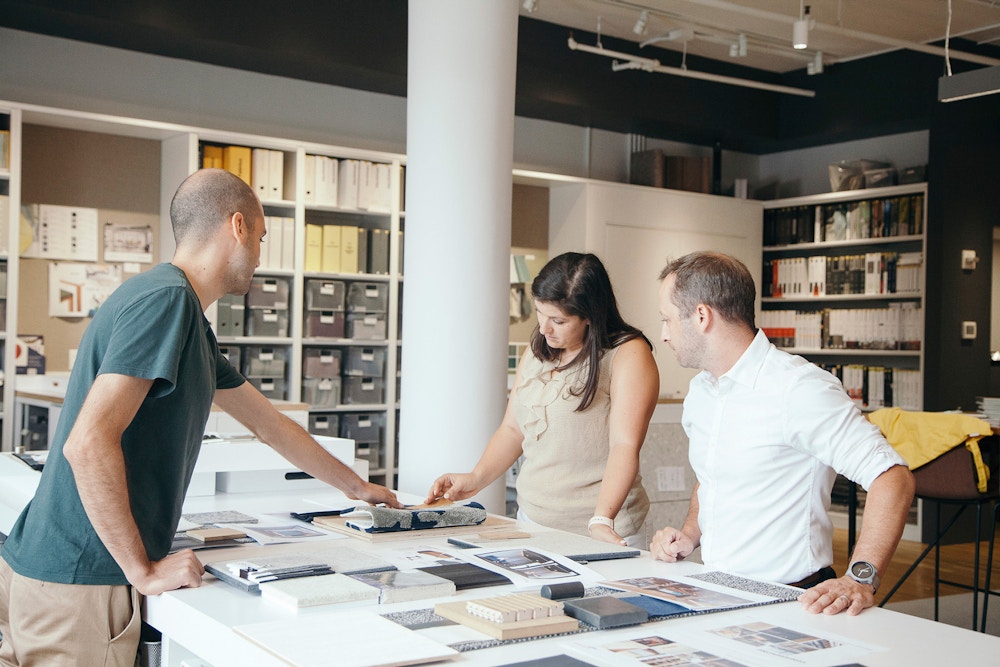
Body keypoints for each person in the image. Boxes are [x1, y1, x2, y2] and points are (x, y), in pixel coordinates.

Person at [0, 169, 401, 666]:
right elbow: (86, 443)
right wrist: (143, 571)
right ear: (237, 226)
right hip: (82, 577)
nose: (259, 256)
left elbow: (268, 424)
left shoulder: (181, 313)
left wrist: (360, 489)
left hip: (47, 569)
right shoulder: (166, 303)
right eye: (260, 238)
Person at [649, 251, 915, 616]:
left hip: (793, 600)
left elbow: (893, 478)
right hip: (715, 592)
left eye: (667, 320)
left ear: (701, 316)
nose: (663, 335)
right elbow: (710, 479)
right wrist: (691, 533)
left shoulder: (800, 388)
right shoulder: (701, 392)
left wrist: (860, 578)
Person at [426, 252, 659, 547]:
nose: (545, 328)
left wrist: (602, 518)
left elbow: (624, 446)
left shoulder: (627, 354)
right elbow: (512, 429)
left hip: (601, 530)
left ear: (590, 317)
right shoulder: (539, 348)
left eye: (558, 320)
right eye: (540, 313)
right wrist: (476, 478)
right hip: (533, 523)